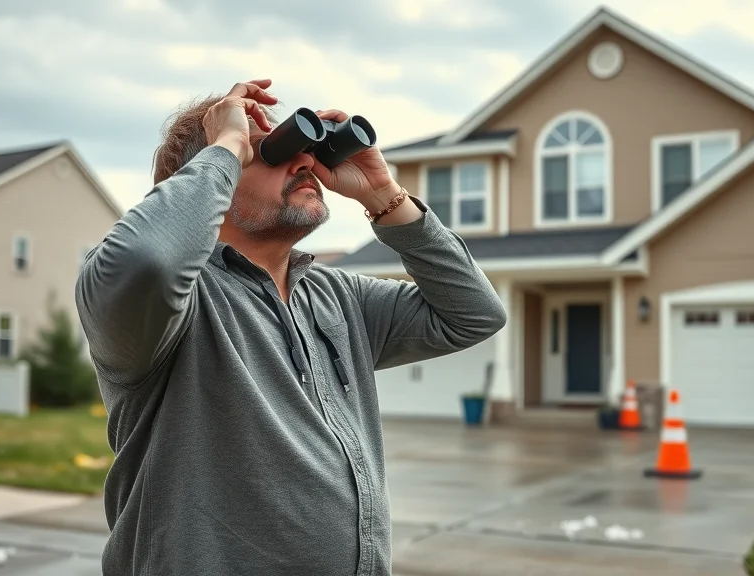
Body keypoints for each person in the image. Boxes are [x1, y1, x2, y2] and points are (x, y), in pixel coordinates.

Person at [75, 79, 507, 575]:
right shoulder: (168, 307)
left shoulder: (337, 296)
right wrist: (226, 144)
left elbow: (475, 312)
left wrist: (383, 195)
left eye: (305, 149)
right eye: (271, 151)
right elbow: (145, 260)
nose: (304, 162)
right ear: (211, 176)